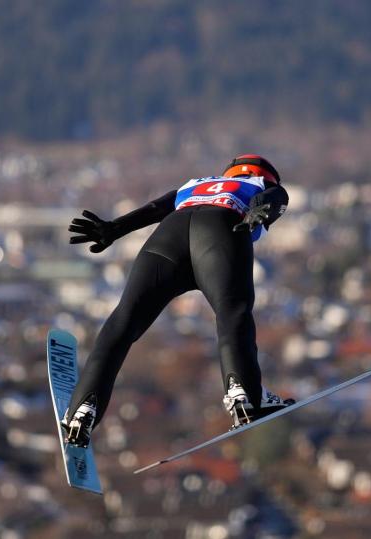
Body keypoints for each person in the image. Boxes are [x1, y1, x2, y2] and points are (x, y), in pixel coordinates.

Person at [62, 154, 294, 447]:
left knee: (124, 319)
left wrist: (113, 229)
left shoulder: (195, 184)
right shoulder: (261, 183)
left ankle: (82, 408)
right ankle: (245, 394)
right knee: (232, 312)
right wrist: (260, 212)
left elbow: (154, 209)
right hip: (221, 230)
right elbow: (276, 198)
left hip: (168, 236)